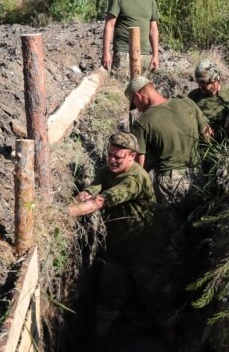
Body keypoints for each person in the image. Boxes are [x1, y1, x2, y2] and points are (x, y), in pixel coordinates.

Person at [68, 132, 178, 349]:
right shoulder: (108, 171)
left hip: (146, 255)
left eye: (118, 157)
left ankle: (174, 345)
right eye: (110, 155)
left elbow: (100, 201)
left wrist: (63, 212)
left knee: (160, 302)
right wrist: (82, 194)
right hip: (118, 253)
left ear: (132, 157)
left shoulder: (135, 179)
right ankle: (96, 343)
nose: (112, 160)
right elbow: (94, 189)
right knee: (108, 299)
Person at [126, 76, 211, 285]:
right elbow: (209, 136)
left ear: (139, 96)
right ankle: (201, 279)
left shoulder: (142, 122)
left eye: (134, 104)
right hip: (197, 177)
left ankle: (177, 289)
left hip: (169, 184)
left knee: (174, 240)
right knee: (198, 230)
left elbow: (140, 167)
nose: (136, 109)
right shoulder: (187, 103)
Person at [101, 0, 160, 76]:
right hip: (123, 53)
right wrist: (106, 53)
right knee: (120, 88)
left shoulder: (151, 1)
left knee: (141, 90)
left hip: (143, 54)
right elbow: (109, 26)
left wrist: (155, 56)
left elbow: (153, 30)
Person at [187, 60, 229, 141]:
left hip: (220, 146)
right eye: (198, 81)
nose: (200, 85)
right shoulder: (193, 96)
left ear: (215, 79)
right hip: (198, 144)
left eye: (203, 82)